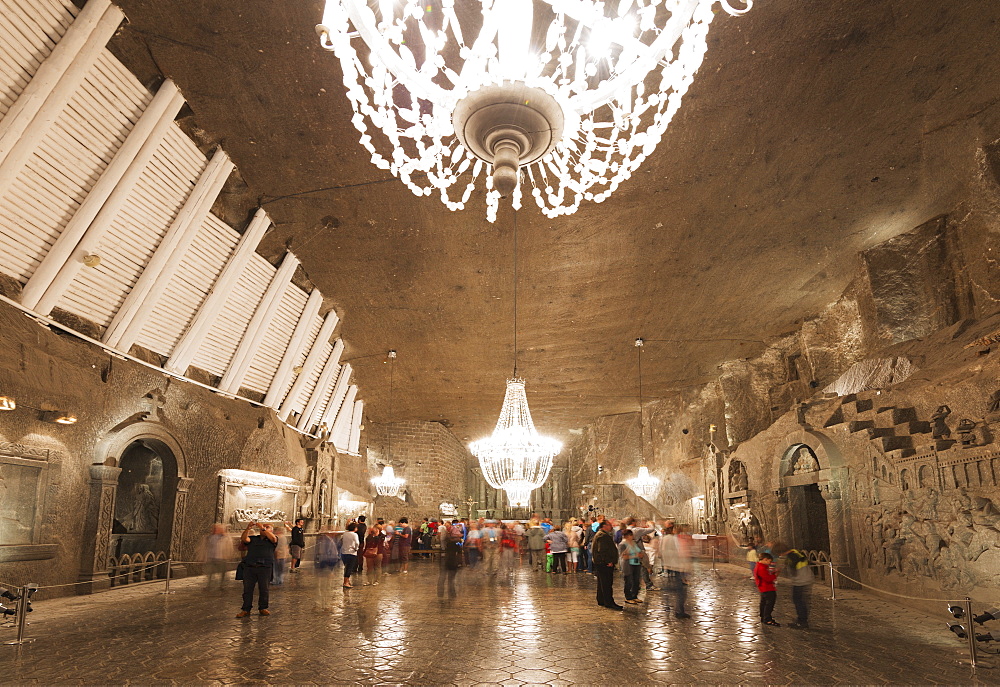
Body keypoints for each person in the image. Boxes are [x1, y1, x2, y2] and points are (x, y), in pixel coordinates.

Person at [237, 521, 277, 617]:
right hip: (250, 567)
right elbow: (244, 539)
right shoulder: (253, 539)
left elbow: (273, 539)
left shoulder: (272, 540)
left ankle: (263, 608)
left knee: (264, 589)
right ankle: (246, 609)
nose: (263, 528)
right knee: (247, 589)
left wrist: (262, 528)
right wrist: (248, 528)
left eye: (267, 527)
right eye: (263, 527)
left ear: (271, 531)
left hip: (265, 567)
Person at [661, 523, 692, 618]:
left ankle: (675, 607)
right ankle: (679, 611)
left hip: (673, 565)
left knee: (678, 589)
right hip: (676, 565)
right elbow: (675, 551)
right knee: (680, 590)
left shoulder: (668, 538)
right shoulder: (671, 538)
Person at [591, 519, 622, 610]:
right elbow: (602, 550)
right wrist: (608, 561)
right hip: (604, 563)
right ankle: (609, 602)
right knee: (606, 583)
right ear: (604, 526)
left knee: (602, 583)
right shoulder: (603, 536)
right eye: (609, 525)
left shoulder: (601, 535)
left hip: (601, 563)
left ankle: (601, 599)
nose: (611, 526)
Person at [782, 546, 812, 629]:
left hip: (800, 581)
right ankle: (801, 620)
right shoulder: (796, 552)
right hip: (804, 579)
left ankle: (802, 622)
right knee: (800, 601)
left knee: (799, 602)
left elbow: (793, 569)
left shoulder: (792, 556)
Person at [199, 523, 234, 591]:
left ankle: (222, 585)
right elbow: (205, 547)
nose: (216, 530)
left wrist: (227, 556)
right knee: (210, 573)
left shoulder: (225, 537)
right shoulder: (209, 537)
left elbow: (229, 547)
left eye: (218, 528)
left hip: (221, 558)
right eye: (215, 528)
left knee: (223, 573)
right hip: (211, 557)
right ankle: (209, 585)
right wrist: (203, 557)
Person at [314, 529, 341, 609]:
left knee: (325, 586)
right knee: (324, 586)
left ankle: (324, 604)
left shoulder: (327, 541)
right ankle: (323, 604)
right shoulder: (325, 541)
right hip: (324, 566)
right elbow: (324, 555)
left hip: (325, 566)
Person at [618, 529, 645, 604]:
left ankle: (634, 596)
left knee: (636, 580)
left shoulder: (634, 543)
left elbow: (639, 551)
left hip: (637, 563)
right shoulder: (622, 544)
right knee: (629, 581)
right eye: (631, 535)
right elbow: (623, 556)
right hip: (628, 564)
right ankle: (628, 597)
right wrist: (635, 556)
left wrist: (640, 555)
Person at [754, 552, 780, 626]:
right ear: (765, 559)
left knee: (764, 603)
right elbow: (768, 579)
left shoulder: (760, 566)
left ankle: (763, 616)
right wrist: (775, 575)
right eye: (769, 561)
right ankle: (767, 619)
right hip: (767, 588)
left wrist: (773, 573)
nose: (770, 563)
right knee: (769, 604)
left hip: (763, 588)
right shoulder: (761, 568)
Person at [341, 523, 360, 589]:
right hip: (351, 552)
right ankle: (345, 582)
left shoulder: (345, 533)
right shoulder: (354, 534)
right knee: (349, 567)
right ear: (354, 528)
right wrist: (356, 548)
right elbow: (357, 543)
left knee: (346, 567)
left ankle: (347, 581)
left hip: (344, 552)